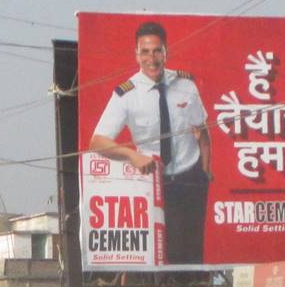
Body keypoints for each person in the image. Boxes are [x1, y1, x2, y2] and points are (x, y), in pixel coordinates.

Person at [88, 20, 211, 267]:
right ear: (136, 55)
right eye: (145, 52)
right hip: (155, 182)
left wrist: (205, 171)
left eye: (157, 51)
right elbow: (96, 142)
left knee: (193, 251)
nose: (151, 58)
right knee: (161, 253)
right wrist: (131, 155)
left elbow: (204, 130)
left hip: (191, 178)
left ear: (166, 52)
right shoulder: (127, 94)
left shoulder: (185, 84)